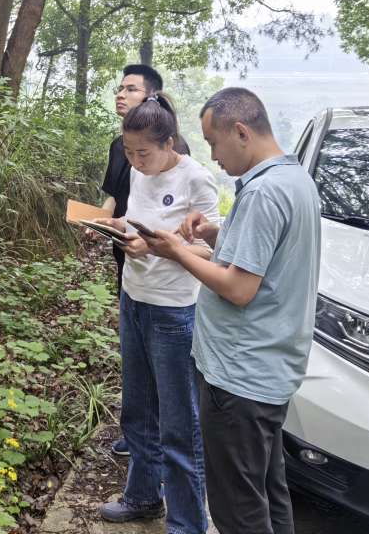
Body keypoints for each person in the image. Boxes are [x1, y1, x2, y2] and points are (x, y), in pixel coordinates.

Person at [137, 87, 322, 534]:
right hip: (271, 370)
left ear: (241, 132)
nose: (213, 157)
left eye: (214, 143)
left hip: (239, 379)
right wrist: (213, 233)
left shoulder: (262, 193)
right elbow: (263, 256)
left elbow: (239, 288)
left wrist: (176, 252)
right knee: (267, 493)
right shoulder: (294, 179)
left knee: (238, 510)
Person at [94, 94, 219, 534]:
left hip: (173, 312)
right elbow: (138, 221)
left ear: (169, 143)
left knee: (178, 422)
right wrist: (117, 226)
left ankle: (187, 522)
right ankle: (144, 496)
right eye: (128, 151)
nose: (135, 161)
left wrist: (159, 248)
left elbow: (212, 250)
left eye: (143, 152)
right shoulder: (136, 172)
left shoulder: (196, 179)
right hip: (134, 299)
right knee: (139, 410)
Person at [99, 64, 190, 456]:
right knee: (134, 356)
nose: (121, 95)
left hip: (164, 279)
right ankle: (140, 438)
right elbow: (114, 195)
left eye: (131, 89)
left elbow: (182, 229)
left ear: (151, 97)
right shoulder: (119, 146)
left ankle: (162, 442)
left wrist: (150, 246)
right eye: (119, 88)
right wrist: (101, 222)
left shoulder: (176, 155)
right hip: (129, 257)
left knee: (162, 364)